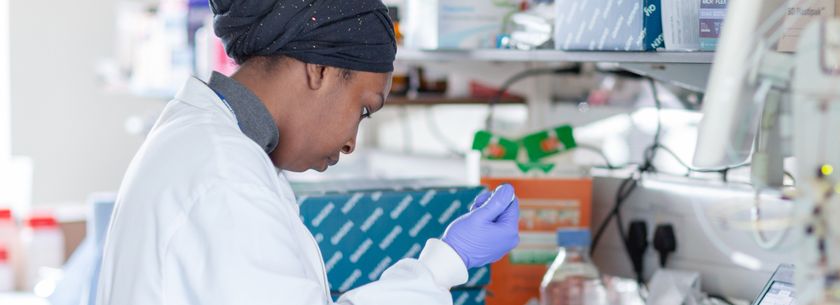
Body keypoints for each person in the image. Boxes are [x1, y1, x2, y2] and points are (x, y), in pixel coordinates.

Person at [94, 0, 520, 304]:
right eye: (364, 109)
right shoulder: (227, 180)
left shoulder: (204, 141)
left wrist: (443, 266)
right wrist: (443, 266)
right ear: (320, 70)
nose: (352, 141)